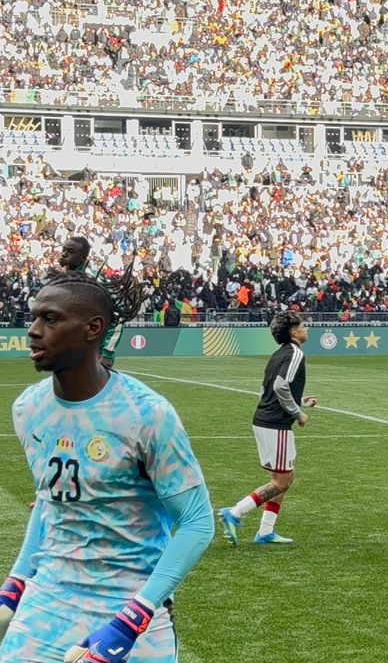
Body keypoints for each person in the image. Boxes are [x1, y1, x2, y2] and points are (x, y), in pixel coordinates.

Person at [1, 271, 213, 663]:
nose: (32, 330)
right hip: (46, 603)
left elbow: (198, 521)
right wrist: (14, 585)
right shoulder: (28, 409)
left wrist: (130, 622)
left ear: (92, 328)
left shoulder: (147, 414)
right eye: (33, 317)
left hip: (130, 607)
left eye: (50, 319)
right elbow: (49, 502)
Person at [219, 311, 318, 546]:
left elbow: (269, 389)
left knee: (283, 477)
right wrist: (298, 413)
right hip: (276, 424)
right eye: (303, 325)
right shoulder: (295, 353)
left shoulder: (278, 354)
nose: (307, 328)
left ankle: (265, 531)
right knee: (281, 482)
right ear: (294, 332)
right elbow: (280, 386)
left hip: (264, 420)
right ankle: (234, 513)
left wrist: (301, 400)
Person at [57, 237, 137, 370]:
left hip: (94, 355)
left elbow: (118, 313)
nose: (64, 254)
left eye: (70, 251)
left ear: (83, 258)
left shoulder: (93, 280)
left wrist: (107, 353)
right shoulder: (65, 278)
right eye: (64, 250)